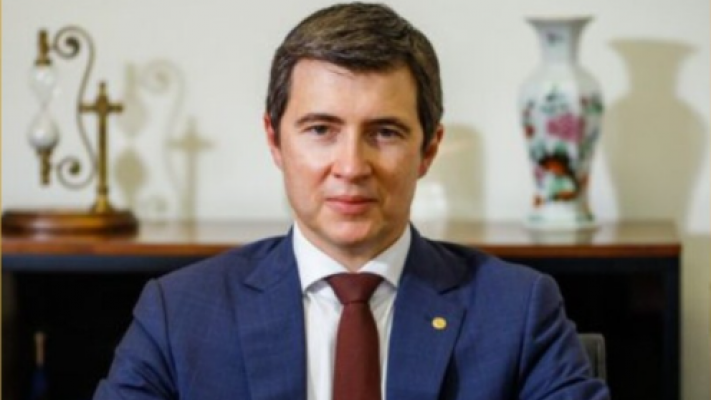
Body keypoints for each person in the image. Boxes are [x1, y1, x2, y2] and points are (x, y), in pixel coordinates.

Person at [93, 3, 610, 400]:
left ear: (429, 149)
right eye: (321, 129)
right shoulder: (179, 312)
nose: (352, 166)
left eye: (385, 132)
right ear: (275, 141)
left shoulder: (517, 309)